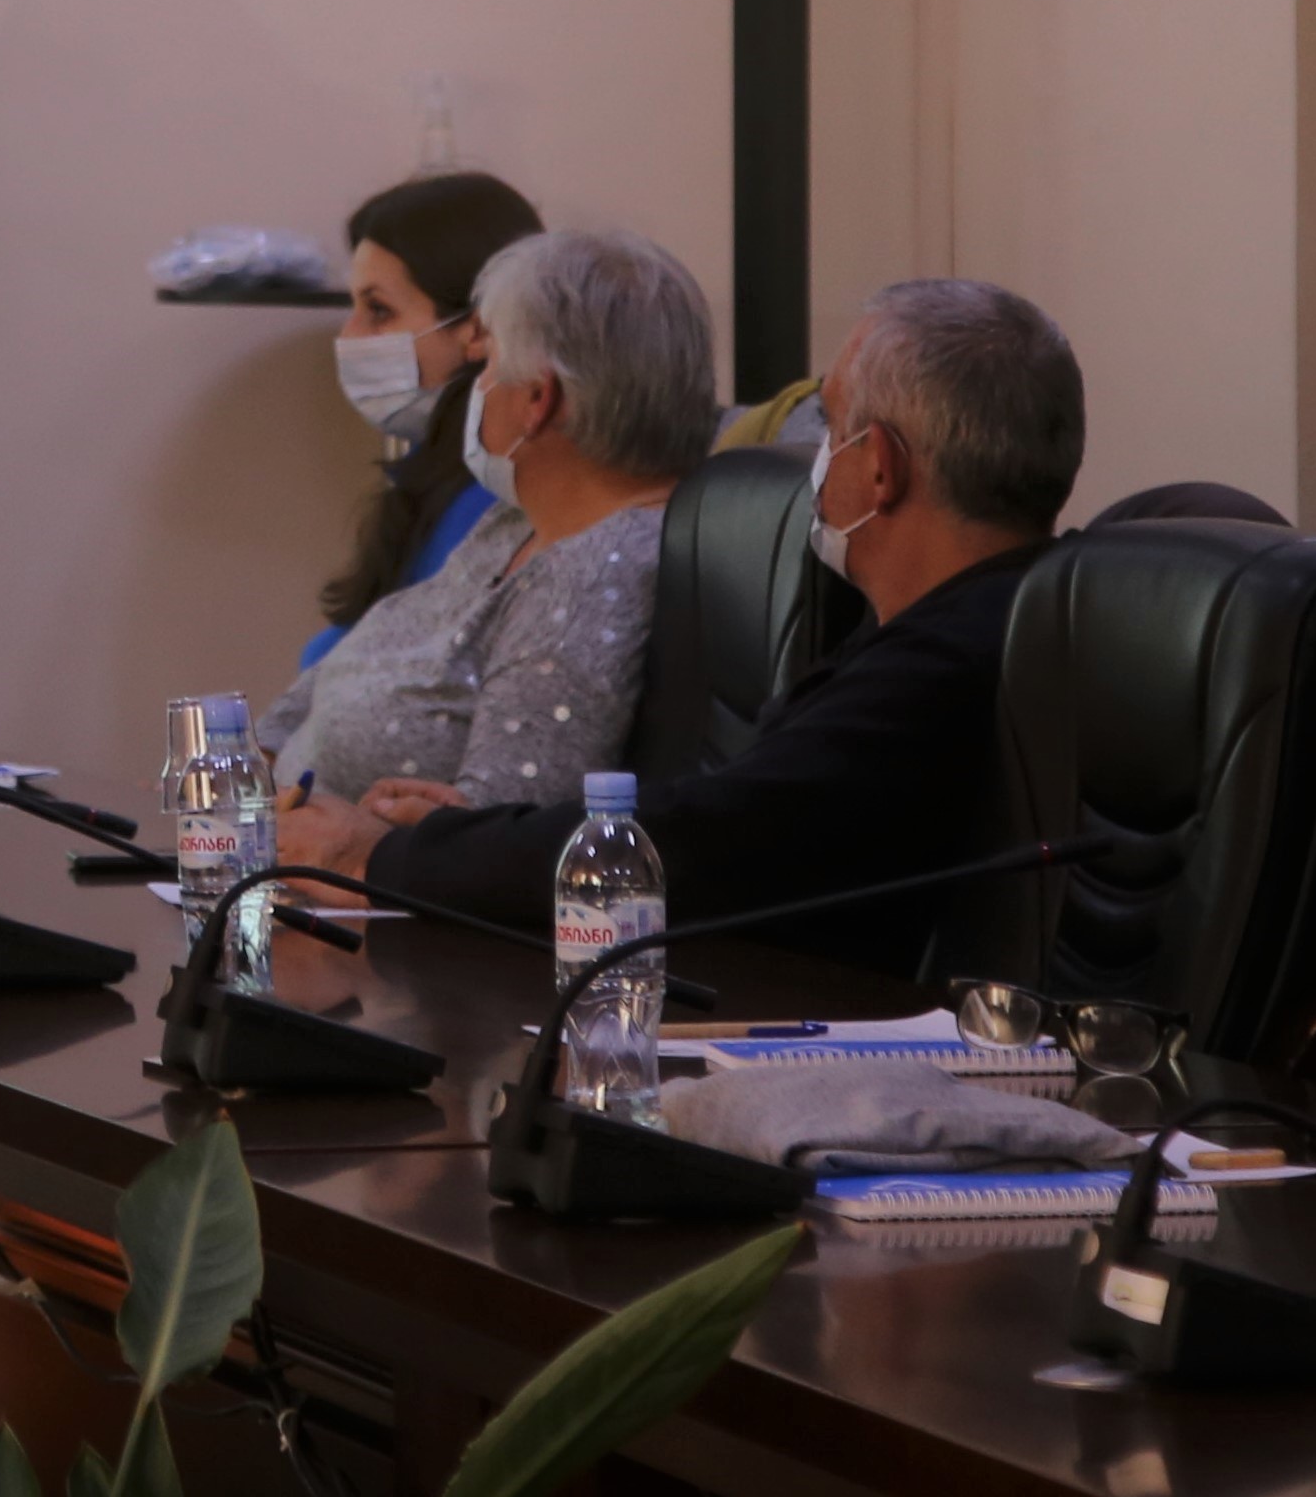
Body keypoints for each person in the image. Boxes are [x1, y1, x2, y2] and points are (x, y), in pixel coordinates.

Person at [286, 279, 1083, 979]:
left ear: (879, 465)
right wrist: (466, 835)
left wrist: (380, 856)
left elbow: (702, 843)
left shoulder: (947, 661)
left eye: (831, 425)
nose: (815, 456)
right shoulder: (1008, 615)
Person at [257, 227, 707, 816]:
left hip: (356, 870)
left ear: (537, 399)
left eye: (490, 361)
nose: (478, 385)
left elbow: (499, 834)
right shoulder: (514, 521)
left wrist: (351, 841)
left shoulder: (591, 576)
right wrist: (248, 761)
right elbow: (363, 656)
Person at [302, 172, 543, 676]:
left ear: (478, 329)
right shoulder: (438, 474)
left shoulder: (500, 499)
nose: (349, 336)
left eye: (378, 310)